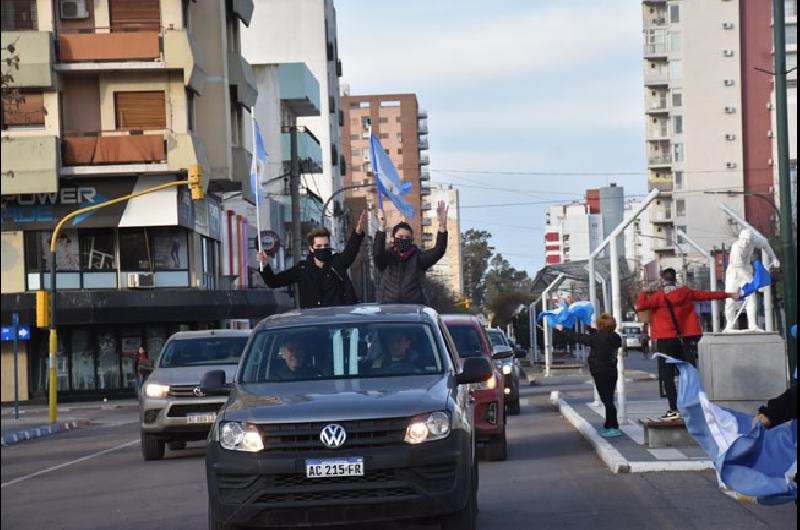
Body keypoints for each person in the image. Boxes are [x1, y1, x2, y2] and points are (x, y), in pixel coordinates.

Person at [636, 268, 739, 420]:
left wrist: (645, 291)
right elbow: (707, 295)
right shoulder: (686, 292)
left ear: (663, 280)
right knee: (690, 373)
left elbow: (641, 306)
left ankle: (674, 409)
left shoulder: (658, 296)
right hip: (684, 339)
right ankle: (696, 405)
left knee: (668, 376)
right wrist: (730, 294)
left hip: (665, 340)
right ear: (675, 279)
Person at [257, 211, 367, 308]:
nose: (323, 248)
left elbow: (350, 252)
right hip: (312, 324)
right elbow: (273, 281)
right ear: (311, 248)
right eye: (319, 246)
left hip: (336, 322)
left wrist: (357, 233)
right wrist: (265, 265)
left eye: (326, 245)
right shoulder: (302, 269)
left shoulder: (337, 263)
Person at [557, 314, 623, 437]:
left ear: (601, 326)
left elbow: (579, 338)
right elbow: (597, 336)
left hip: (600, 371)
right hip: (611, 371)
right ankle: (609, 425)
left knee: (607, 400)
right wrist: (589, 328)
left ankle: (614, 427)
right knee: (609, 398)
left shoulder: (598, 338)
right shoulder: (615, 337)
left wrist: (563, 330)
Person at [372, 201, 448, 304]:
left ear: (411, 239)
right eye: (400, 237)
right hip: (388, 308)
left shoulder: (419, 257)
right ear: (393, 238)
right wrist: (381, 228)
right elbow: (377, 255)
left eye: (407, 238)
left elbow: (438, 251)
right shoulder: (387, 257)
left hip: (414, 309)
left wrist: (442, 226)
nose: (403, 240)